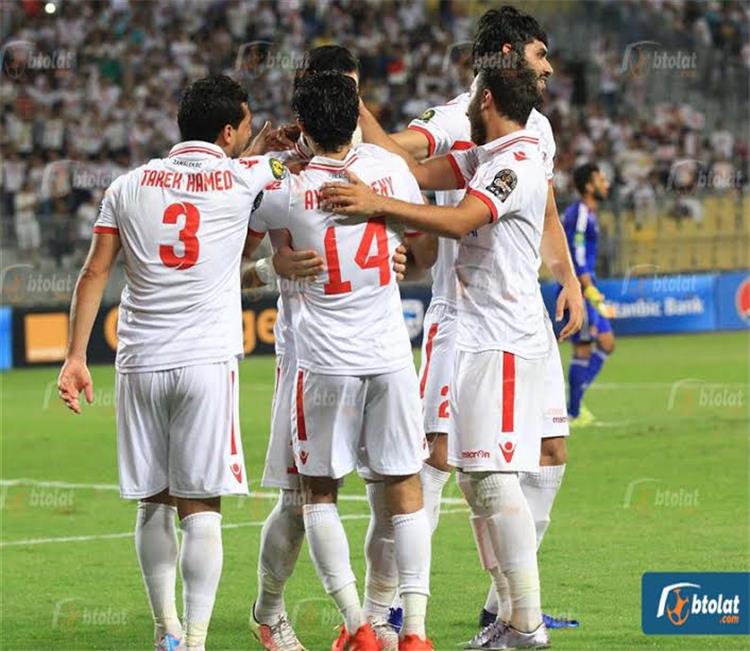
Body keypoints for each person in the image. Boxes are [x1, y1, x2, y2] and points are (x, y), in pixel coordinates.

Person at [357, 6, 582, 639]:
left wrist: (567, 278)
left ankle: (509, 609)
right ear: (507, 60)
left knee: (542, 455)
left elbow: (539, 208)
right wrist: (354, 114)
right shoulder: (462, 118)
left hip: (514, 316)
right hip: (466, 318)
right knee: (441, 460)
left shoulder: (529, 135)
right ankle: (392, 606)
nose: (548, 68)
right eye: (539, 55)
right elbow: (403, 159)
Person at [56, 74, 282, 651]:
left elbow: (94, 272)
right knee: (201, 505)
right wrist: (278, 147)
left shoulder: (127, 186)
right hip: (206, 362)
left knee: (153, 499)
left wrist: (75, 356)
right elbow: (290, 159)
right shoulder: (245, 177)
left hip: (140, 361)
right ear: (228, 131)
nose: (250, 133)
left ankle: (167, 632)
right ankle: (198, 640)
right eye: (246, 124)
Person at [246, 45, 435, 651]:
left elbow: (225, 253)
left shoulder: (279, 183)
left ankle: (365, 622)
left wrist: (268, 263)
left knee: (328, 494)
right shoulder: (389, 171)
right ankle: (404, 626)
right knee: (369, 494)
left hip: (325, 359)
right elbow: (427, 246)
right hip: (361, 355)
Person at [562, 163, 614, 426]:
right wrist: (588, 289)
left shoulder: (588, 213)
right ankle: (573, 412)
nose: (606, 184)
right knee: (583, 349)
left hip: (586, 284)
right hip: (578, 288)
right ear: (589, 186)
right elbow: (576, 253)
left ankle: (574, 405)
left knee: (606, 342)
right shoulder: (580, 213)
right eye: (601, 180)